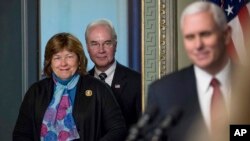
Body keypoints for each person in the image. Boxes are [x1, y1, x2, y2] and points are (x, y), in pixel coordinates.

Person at [13, 32, 126, 141]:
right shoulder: (36, 92)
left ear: (79, 59)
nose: (63, 63)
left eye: (69, 56)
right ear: (50, 62)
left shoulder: (99, 89)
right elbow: (21, 134)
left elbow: (118, 129)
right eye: (57, 57)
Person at [146, 1, 232, 141]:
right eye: (190, 37)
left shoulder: (246, 81)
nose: (198, 45)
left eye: (205, 34)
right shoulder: (162, 92)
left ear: (226, 34)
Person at [84, 19, 142, 129]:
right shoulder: (81, 82)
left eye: (107, 43)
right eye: (94, 44)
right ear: (87, 47)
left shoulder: (136, 82)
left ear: (115, 45)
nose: (101, 50)